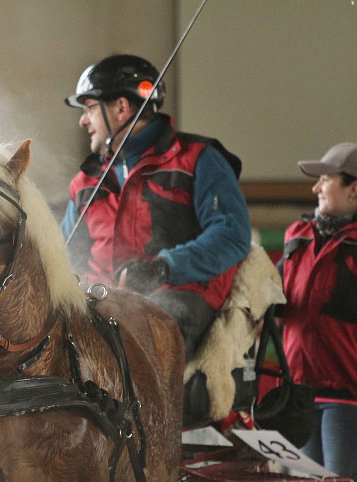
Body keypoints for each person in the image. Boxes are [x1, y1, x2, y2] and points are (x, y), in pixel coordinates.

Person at [61, 54, 251, 359]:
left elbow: (232, 235)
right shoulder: (86, 182)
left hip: (176, 299)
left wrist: (163, 268)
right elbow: (64, 255)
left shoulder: (199, 159)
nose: (84, 120)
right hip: (100, 303)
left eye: (90, 108)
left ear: (122, 108)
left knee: (137, 339)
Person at [281, 142, 357, 482]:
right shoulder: (298, 235)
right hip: (301, 391)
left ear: (355, 189)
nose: (315, 188)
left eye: (325, 179)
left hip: (353, 395)